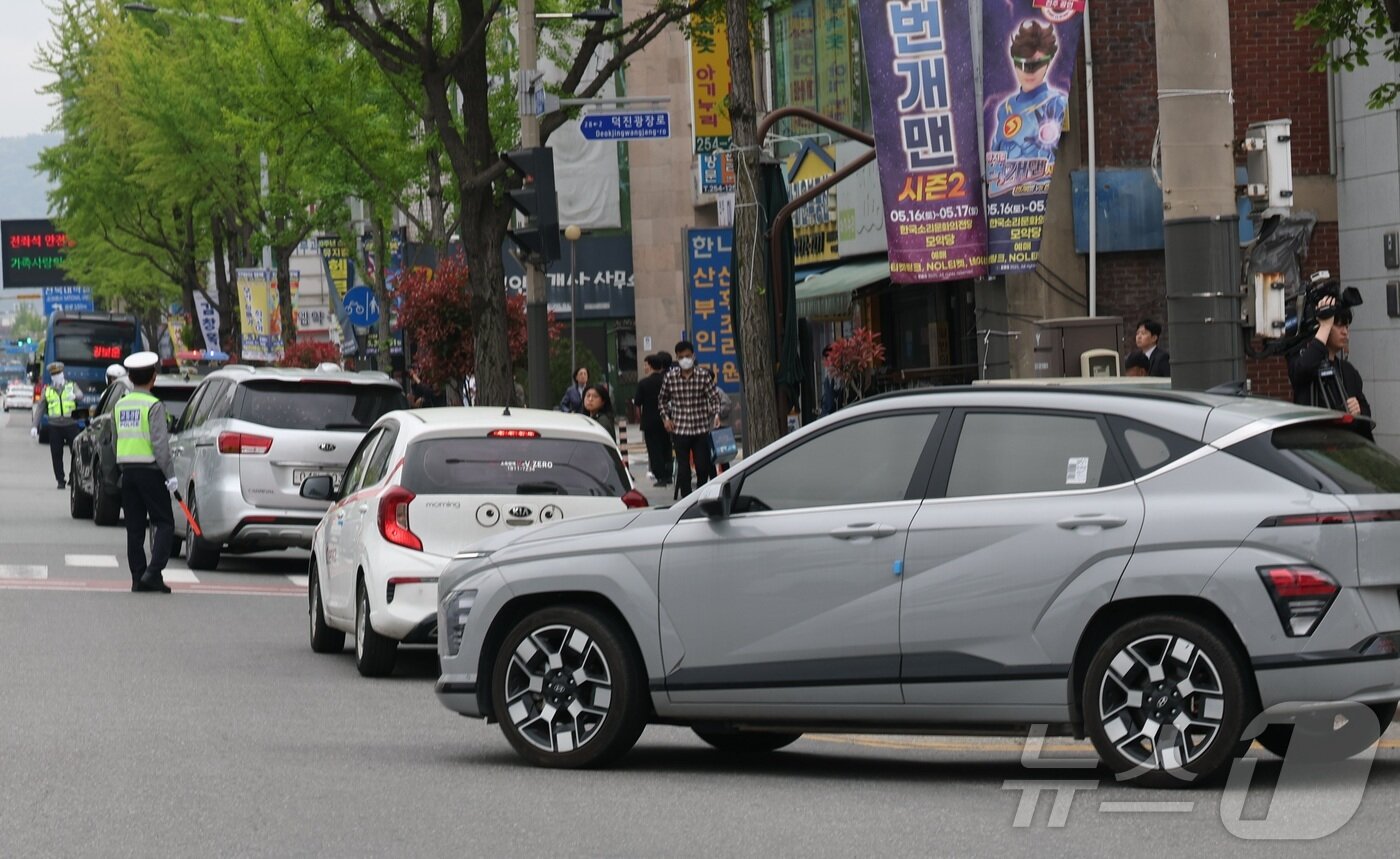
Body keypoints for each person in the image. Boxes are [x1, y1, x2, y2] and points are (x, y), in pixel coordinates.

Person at [114, 352, 176, 594]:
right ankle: (154, 572)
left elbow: (117, 437)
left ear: (129, 377)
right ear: (153, 377)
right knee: (164, 523)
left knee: (135, 528)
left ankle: (138, 578)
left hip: (127, 472)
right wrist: (170, 476)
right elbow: (161, 445)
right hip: (151, 471)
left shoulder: (120, 405)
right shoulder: (153, 404)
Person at [987, 20, 1068, 196]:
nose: (1028, 72)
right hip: (1006, 198)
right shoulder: (1005, 108)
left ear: (1048, 62)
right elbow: (995, 157)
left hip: (1040, 196)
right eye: (1023, 65)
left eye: (1036, 65)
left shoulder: (1057, 103)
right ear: (1015, 63)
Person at [1288, 295, 1373, 440]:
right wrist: (1325, 325)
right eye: (1338, 325)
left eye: (1347, 326)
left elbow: (1366, 415)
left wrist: (1358, 410)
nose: (1345, 332)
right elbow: (1302, 369)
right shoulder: (1302, 360)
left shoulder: (1348, 370)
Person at [659, 340, 722, 496]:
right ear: (677, 358)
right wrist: (666, 418)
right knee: (684, 468)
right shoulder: (670, 377)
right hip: (679, 429)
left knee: (702, 466)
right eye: (681, 357)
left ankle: (700, 492)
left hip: (700, 428)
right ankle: (687, 497)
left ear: (693, 356)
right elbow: (662, 400)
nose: (685, 360)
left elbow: (714, 398)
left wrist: (716, 414)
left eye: (687, 356)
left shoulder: (703, 376)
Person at [31, 360, 82, 489]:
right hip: (54, 427)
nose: (56, 376)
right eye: (54, 374)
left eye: (58, 373)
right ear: (51, 376)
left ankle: (73, 476)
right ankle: (60, 480)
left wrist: (74, 396)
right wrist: (34, 426)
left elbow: (81, 395)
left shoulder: (71, 385)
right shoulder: (47, 390)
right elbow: (40, 409)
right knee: (56, 454)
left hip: (71, 424)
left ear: (62, 373)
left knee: (76, 453)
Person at [632, 353, 673, 487]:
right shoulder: (667, 381)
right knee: (666, 447)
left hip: (649, 421)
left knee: (654, 450)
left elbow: (637, 403)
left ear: (649, 365)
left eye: (645, 364)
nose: (644, 367)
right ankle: (668, 474)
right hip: (666, 420)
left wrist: (639, 418)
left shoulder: (643, 383)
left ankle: (660, 476)